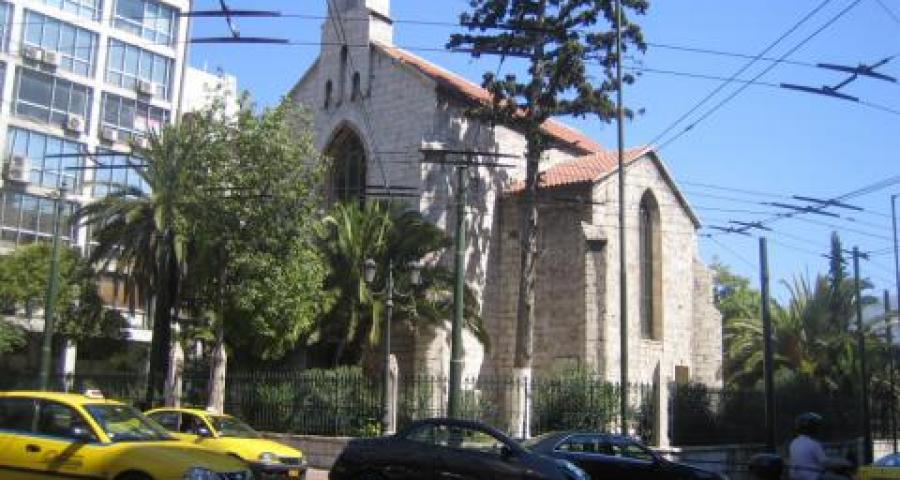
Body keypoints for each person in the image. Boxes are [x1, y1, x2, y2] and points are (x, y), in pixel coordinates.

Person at [788, 413, 853, 480]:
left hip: (797, 477)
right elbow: (825, 462)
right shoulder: (813, 443)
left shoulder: (794, 442)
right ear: (811, 428)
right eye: (816, 426)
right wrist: (845, 462)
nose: (818, 429)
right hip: (813, 476)